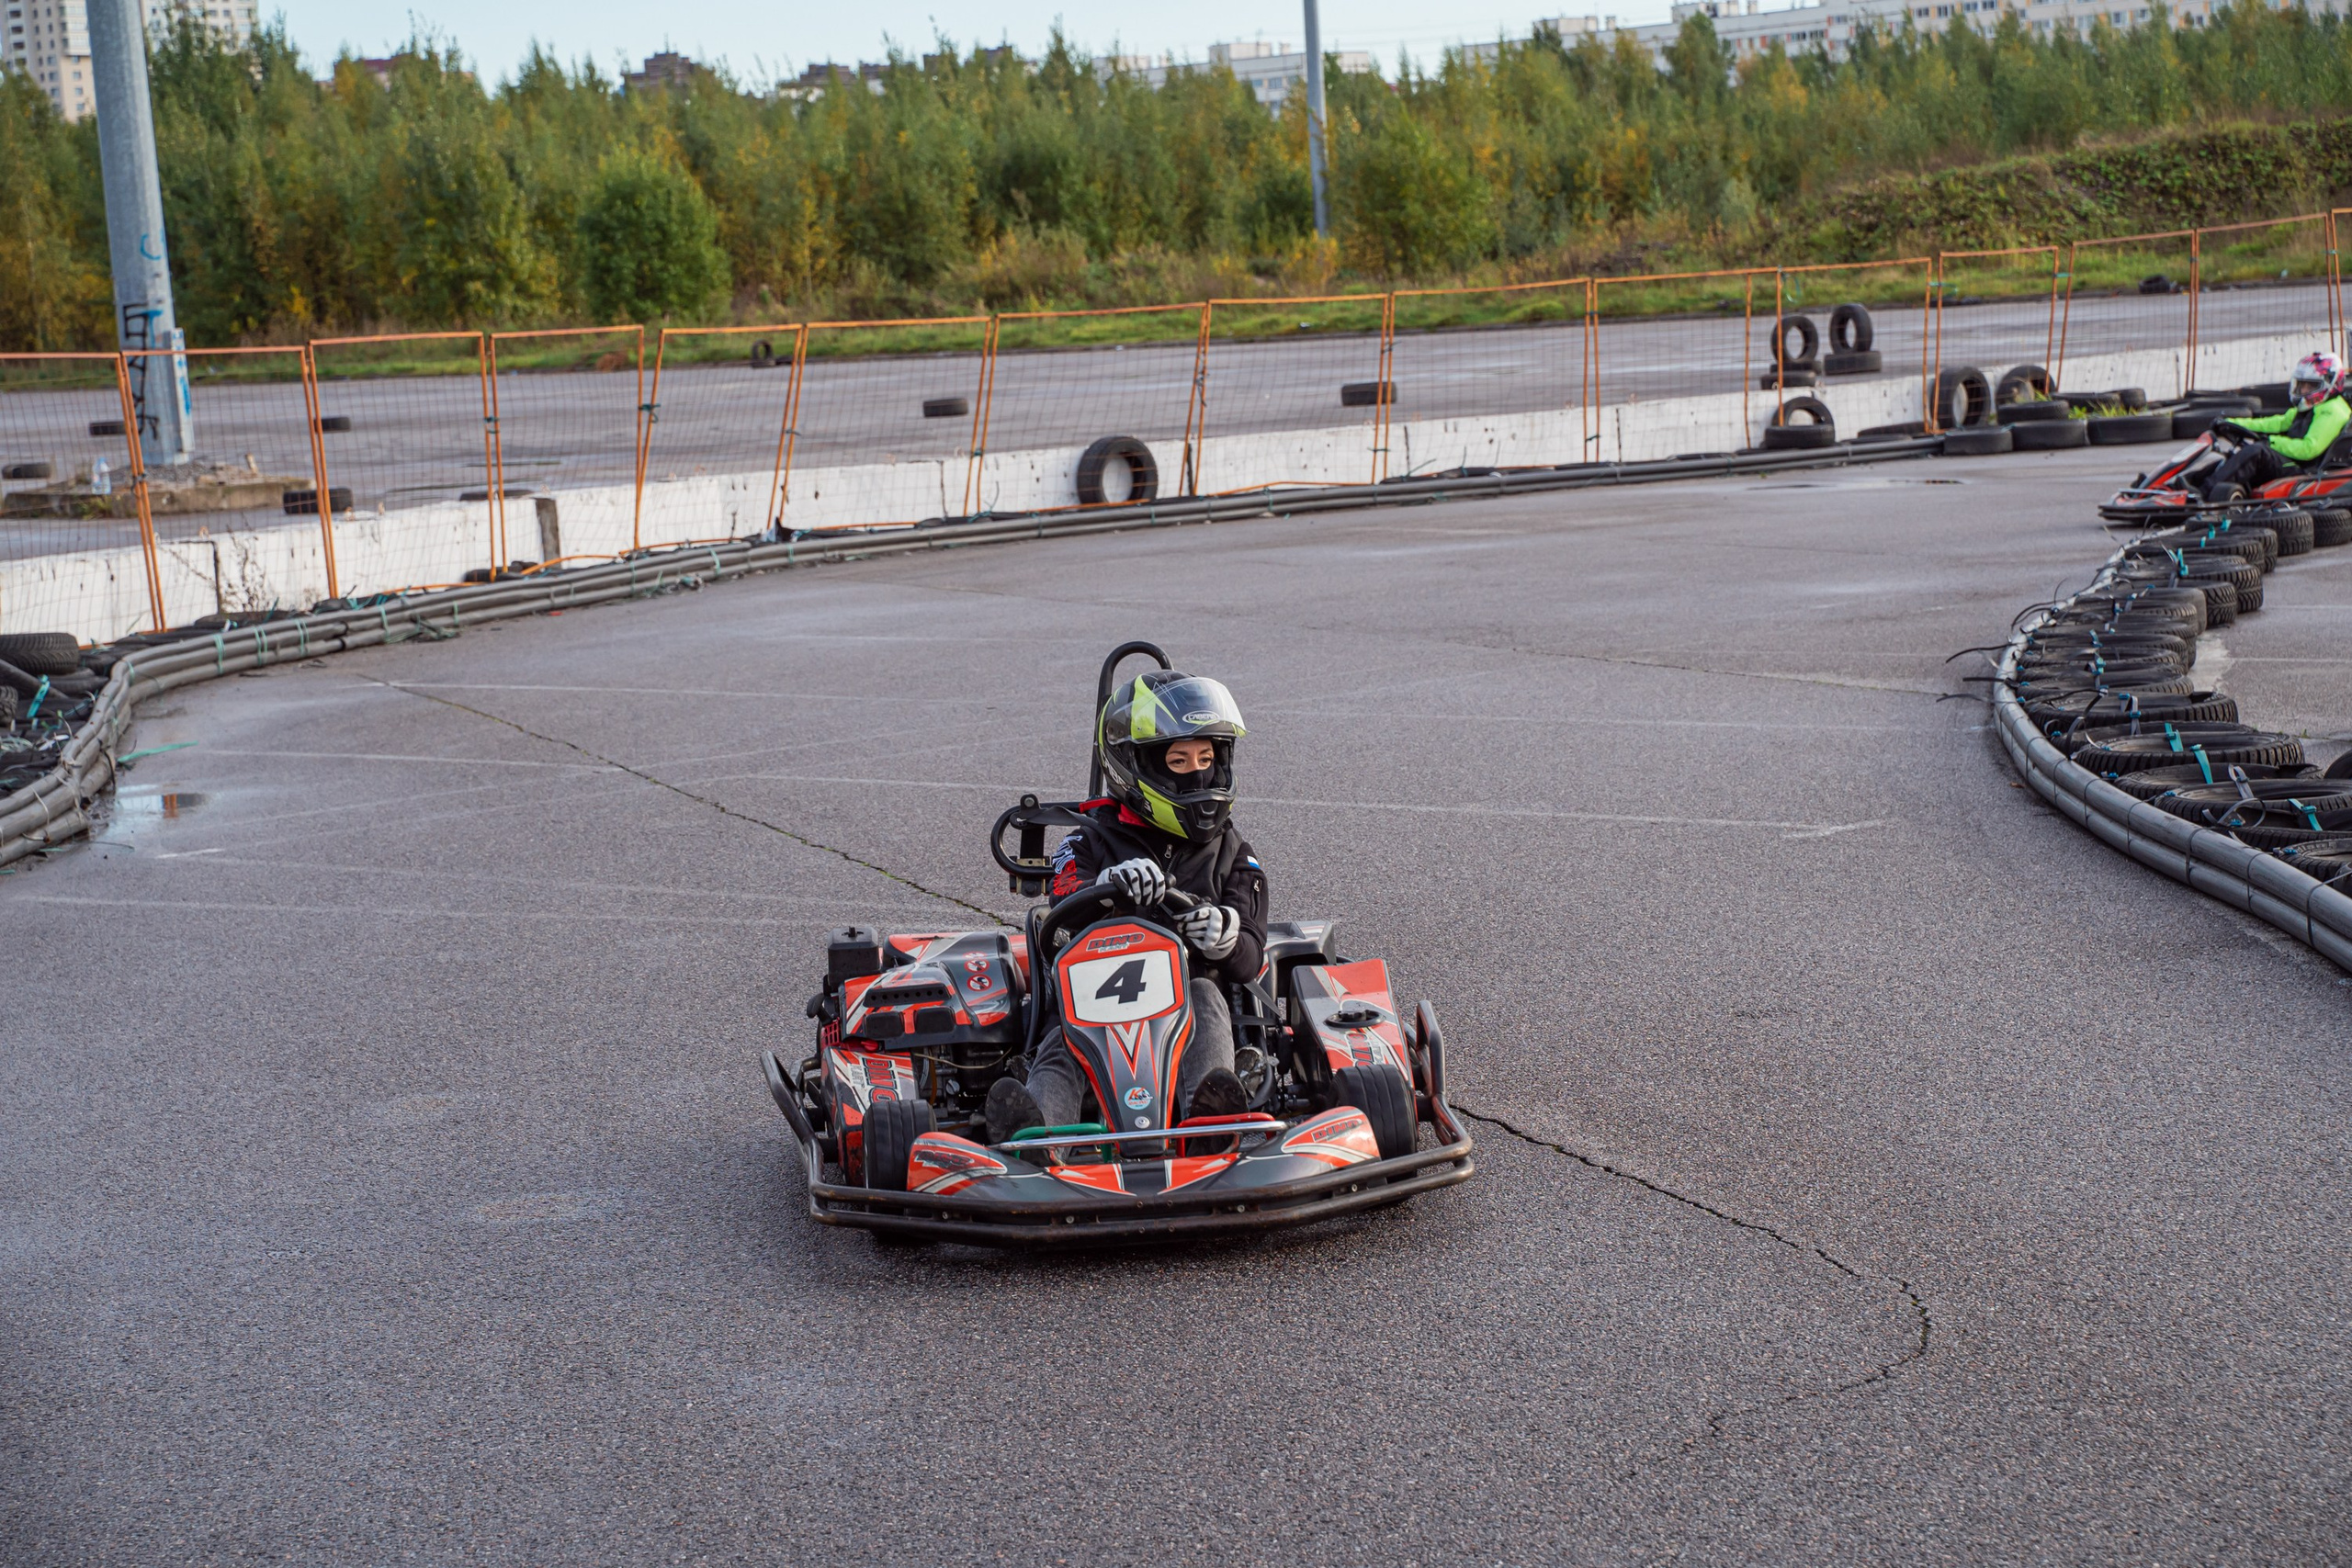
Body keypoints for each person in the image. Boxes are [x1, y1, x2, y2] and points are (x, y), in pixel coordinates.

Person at [985, 669, 1267, 1143]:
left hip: (1188, 1019)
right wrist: (1107, 886)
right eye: (1178, 760)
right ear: (1136, 765)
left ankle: (1211, 1127)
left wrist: (1224, 936)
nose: (1198, 772)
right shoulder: (1086, 842)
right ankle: (1038, 1141)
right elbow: (1061, 911)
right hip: (1093, 1006)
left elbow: (1253, 955)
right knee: (1063, 1038)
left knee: (1206, 995)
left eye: (1206, 757)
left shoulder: (1233, 852)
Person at [2202, 351, 2350, 501]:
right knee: (2235, 456)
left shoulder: (2332, 411)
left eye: (2311, 386)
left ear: (2329, 383)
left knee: (2258, 452)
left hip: (2306, 469)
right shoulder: (2311, 407)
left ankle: (2204, 492)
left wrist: (2272, 442)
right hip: (2293, 461)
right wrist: (2233, 423)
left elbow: (2309, 449)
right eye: (2302, 385)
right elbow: (2277, 423)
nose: (2304, 391)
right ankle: (2188, 484)